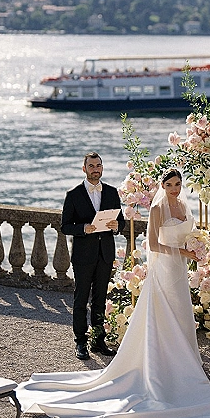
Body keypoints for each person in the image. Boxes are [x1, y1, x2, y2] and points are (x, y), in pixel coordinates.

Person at [16, 170, 210, 418]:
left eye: (177, 184)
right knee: (162, 315)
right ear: (162, 186)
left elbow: (190, 234)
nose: (174, 189)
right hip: (164, 268)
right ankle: (161, 368)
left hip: (179, 270)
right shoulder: (158, 209)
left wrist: (197, 246)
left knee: (180, 312)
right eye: (169, 185)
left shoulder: (185, 206)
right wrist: (183, 251)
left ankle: (185, 361)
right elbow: (153, 245)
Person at [61, 152, 125, 360]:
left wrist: (117, 226)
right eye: (91, 166)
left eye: (98, 165)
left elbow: (121, 221)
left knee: (100, 300)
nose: (95, 169)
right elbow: (65, 227)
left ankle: (98, 341)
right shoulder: (73, 194)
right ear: (84, 169)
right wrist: (83, 228)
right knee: (80, 299)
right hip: (83, 255)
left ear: (102, 168)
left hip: (105, 254)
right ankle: (80, 342)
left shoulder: (112, 193)